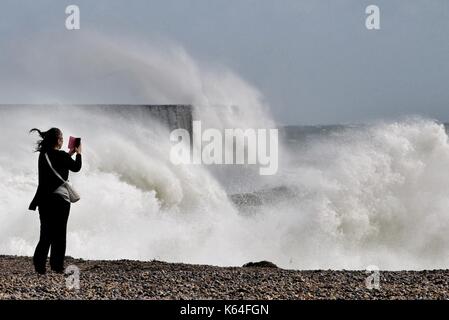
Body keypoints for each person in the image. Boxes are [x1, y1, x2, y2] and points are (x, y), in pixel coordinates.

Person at [28, 127, 82, 274]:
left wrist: (68, 154)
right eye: (62, 138)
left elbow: (58, 163)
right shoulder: (62, 156)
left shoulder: (43, 155)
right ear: (57, 140)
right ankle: (57, 266)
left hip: (44, 200)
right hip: (60, 201)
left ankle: (40, 266)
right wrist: (78, 153)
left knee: (45, 234)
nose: (63, 140)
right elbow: (76, 167)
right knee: (59, 234)